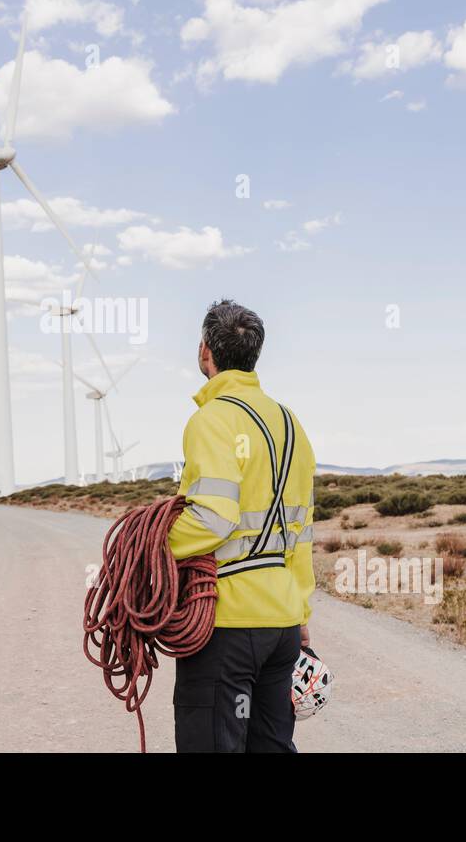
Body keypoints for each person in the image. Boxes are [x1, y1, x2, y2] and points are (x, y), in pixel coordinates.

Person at [169, 298, 316, 752]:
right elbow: (302, 534)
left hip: (226, 624)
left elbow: (214, 517)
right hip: (283, 625)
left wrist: (155, 544)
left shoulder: (210, 420)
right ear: (254, 353)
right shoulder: (292, 425)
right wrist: (303, 617)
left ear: (205, 351)